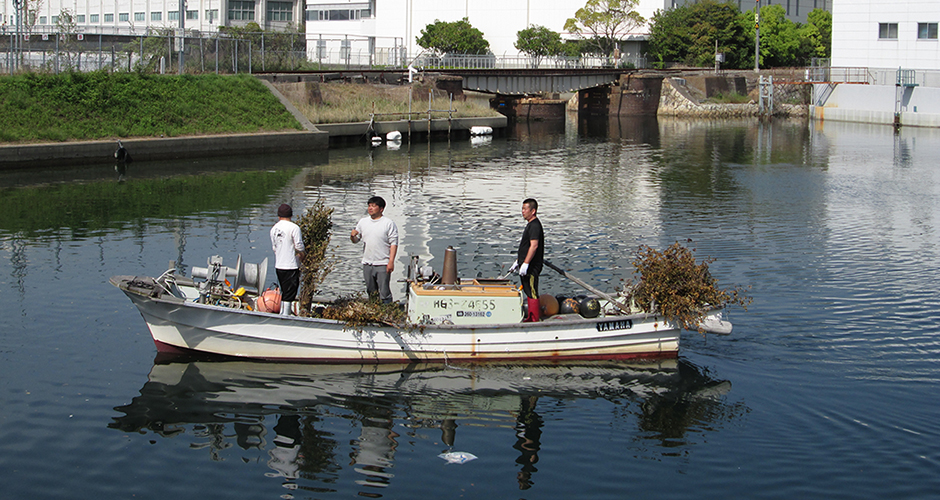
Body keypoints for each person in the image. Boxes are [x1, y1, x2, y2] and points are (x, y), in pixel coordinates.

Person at [351, 196, 399, 303]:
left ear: (381, 209)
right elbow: (356, 240)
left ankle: (387, 312)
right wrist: (352, 236)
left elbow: (394, 243)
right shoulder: (363, 222)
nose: (370, 208)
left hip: (382, 263)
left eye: (373, 206)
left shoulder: (388, 223)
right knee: (371, 290)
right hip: (367, 262)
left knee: (384, 292)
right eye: (369, 206)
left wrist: (391, 261)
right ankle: (373, 310)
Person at [508, 198, 544, 322]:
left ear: (533, 211)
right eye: (522, 209)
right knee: (527, 289)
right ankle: (530, 316)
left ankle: (534, 318)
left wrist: (526, 263)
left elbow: (534, 246)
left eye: (525, 209)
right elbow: (526, 247)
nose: (522, 211)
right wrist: (518, 262)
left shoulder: (535, 226)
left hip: (532, 266)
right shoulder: (529, 225)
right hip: (524, 263)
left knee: (532, 289)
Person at [270, 203, 305, 316]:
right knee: (290, 292)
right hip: (291, 265)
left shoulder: (274, 229)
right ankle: (285, 315)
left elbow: (274, 248)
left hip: (279, 265)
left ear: (279, 215)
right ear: (291, 215)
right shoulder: (294, 228)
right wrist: (302, 255)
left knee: (284, 290)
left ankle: (283, 312)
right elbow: (299, 246)